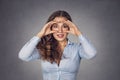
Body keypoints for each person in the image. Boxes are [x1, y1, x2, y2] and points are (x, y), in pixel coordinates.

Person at [18, 10, 97, 80]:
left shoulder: (77, 49)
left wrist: (79, 34)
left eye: (64, 26)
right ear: (50, 28)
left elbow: (92, 54)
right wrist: (40, 34)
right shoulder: (44, 48)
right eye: (56, 26)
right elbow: (23, 56)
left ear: (69, 28)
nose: (60, 30)